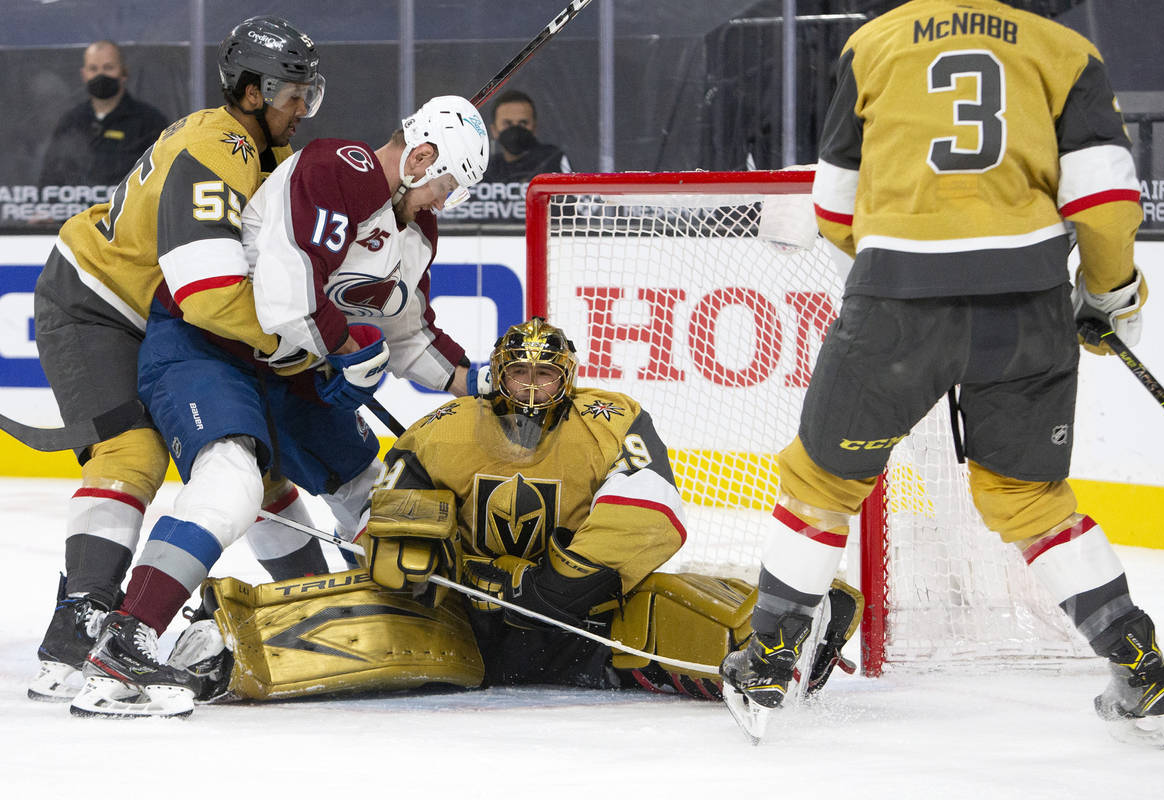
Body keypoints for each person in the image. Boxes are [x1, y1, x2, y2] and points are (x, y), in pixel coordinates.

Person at [720, 0, 1164, 751]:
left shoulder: (872, 43)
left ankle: (768, 666)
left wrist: (885, 276)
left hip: (896, 305)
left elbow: (835, 204)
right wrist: (1109, 295)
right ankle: (1140, 666)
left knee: (820, 485)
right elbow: (1103, 203)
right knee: (1029, 496)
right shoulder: (1065, 49)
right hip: (1026, 308)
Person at [162, 318, 864, 706]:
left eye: (546, 373)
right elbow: (387, 525)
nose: (532, 386)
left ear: (569, 378)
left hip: (584, 616)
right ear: (499, 376)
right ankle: (232, 646)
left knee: (667, 610)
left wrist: (555, 584)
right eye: (520, 372)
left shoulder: (611, 418)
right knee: (371, 618)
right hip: (468, 617)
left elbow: (651, 511)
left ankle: (789, 637)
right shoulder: (444, 428)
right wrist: (423, 567)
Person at [66, 95, 492, 719]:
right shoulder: (337, 169)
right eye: (448, 188)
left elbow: (408, 336)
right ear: (422, 158)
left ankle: (393, 625)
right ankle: (126, 639)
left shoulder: (415, 233)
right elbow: (287, 294)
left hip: (293, 372)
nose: (444, 204)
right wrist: (349, 351)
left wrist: (478, 381)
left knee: (373, 493)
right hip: (208, 349)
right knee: (232, 479)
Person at [28, 15, 326, 706]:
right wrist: (292, 343)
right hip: (96, 302)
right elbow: (211, 296)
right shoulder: (220, 150)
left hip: (159, 319)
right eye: (289, 93)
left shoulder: (251, 147)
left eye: (308, 95)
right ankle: (78, 632)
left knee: (247, 458)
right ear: (250, 93)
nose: (299, 108)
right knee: (132, 456)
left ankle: (313, 601)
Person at [38, 40, 168, 189]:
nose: (100, 75)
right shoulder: (71, 122)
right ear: (84, 74)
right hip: (79, 211)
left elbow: (162, 179)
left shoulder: (150, 122)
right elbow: (50, 178)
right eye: (93, 69)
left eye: (108, 68)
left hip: (128, 211)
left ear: (124, 73)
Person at [480, 89, 571, 183]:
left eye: (523, 123)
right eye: (508, 123)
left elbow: (573, 195)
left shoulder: (553, 161)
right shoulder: (482, 171)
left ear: (534, 128)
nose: (515, 129)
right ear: (494, 130)